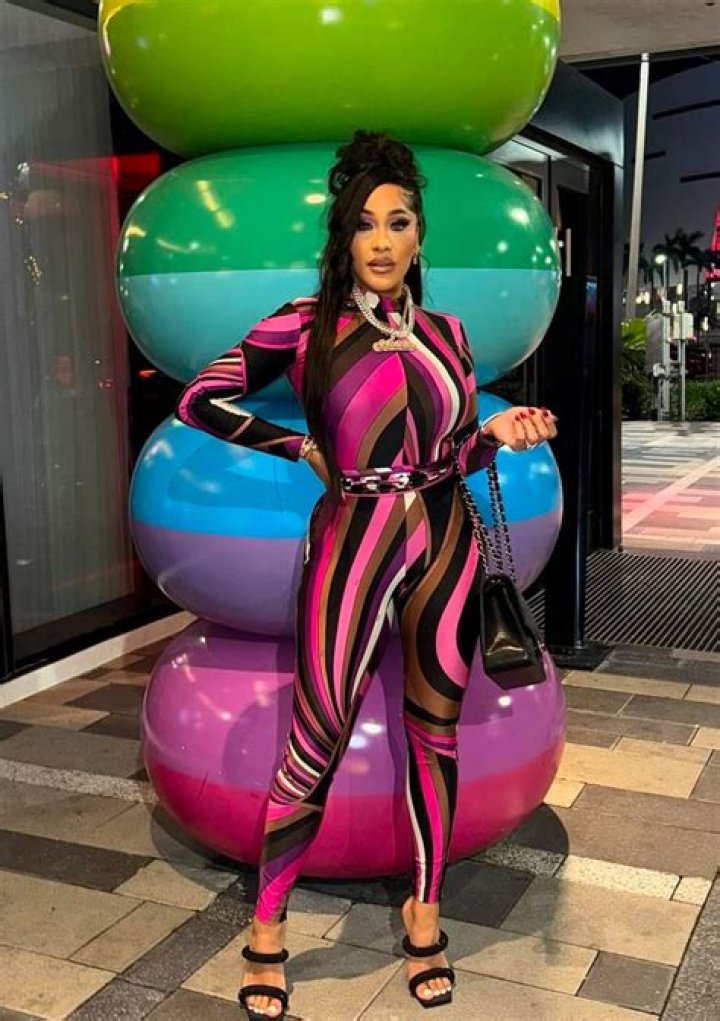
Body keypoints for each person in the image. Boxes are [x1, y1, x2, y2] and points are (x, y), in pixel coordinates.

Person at [175, 130, 558, 1018]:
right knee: (314, 741)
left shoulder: (449, 335)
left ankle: (425, 914)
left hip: (447, 548)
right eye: (364, 224)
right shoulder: (303, 324)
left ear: (420, 234)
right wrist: (300, 446)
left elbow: (448, 455)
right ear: (342, 237)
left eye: (399, 222)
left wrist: (493, 435)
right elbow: (200, 400)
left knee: (436, 736)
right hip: (354, 543)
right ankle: (266, 930)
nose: (382, 241)